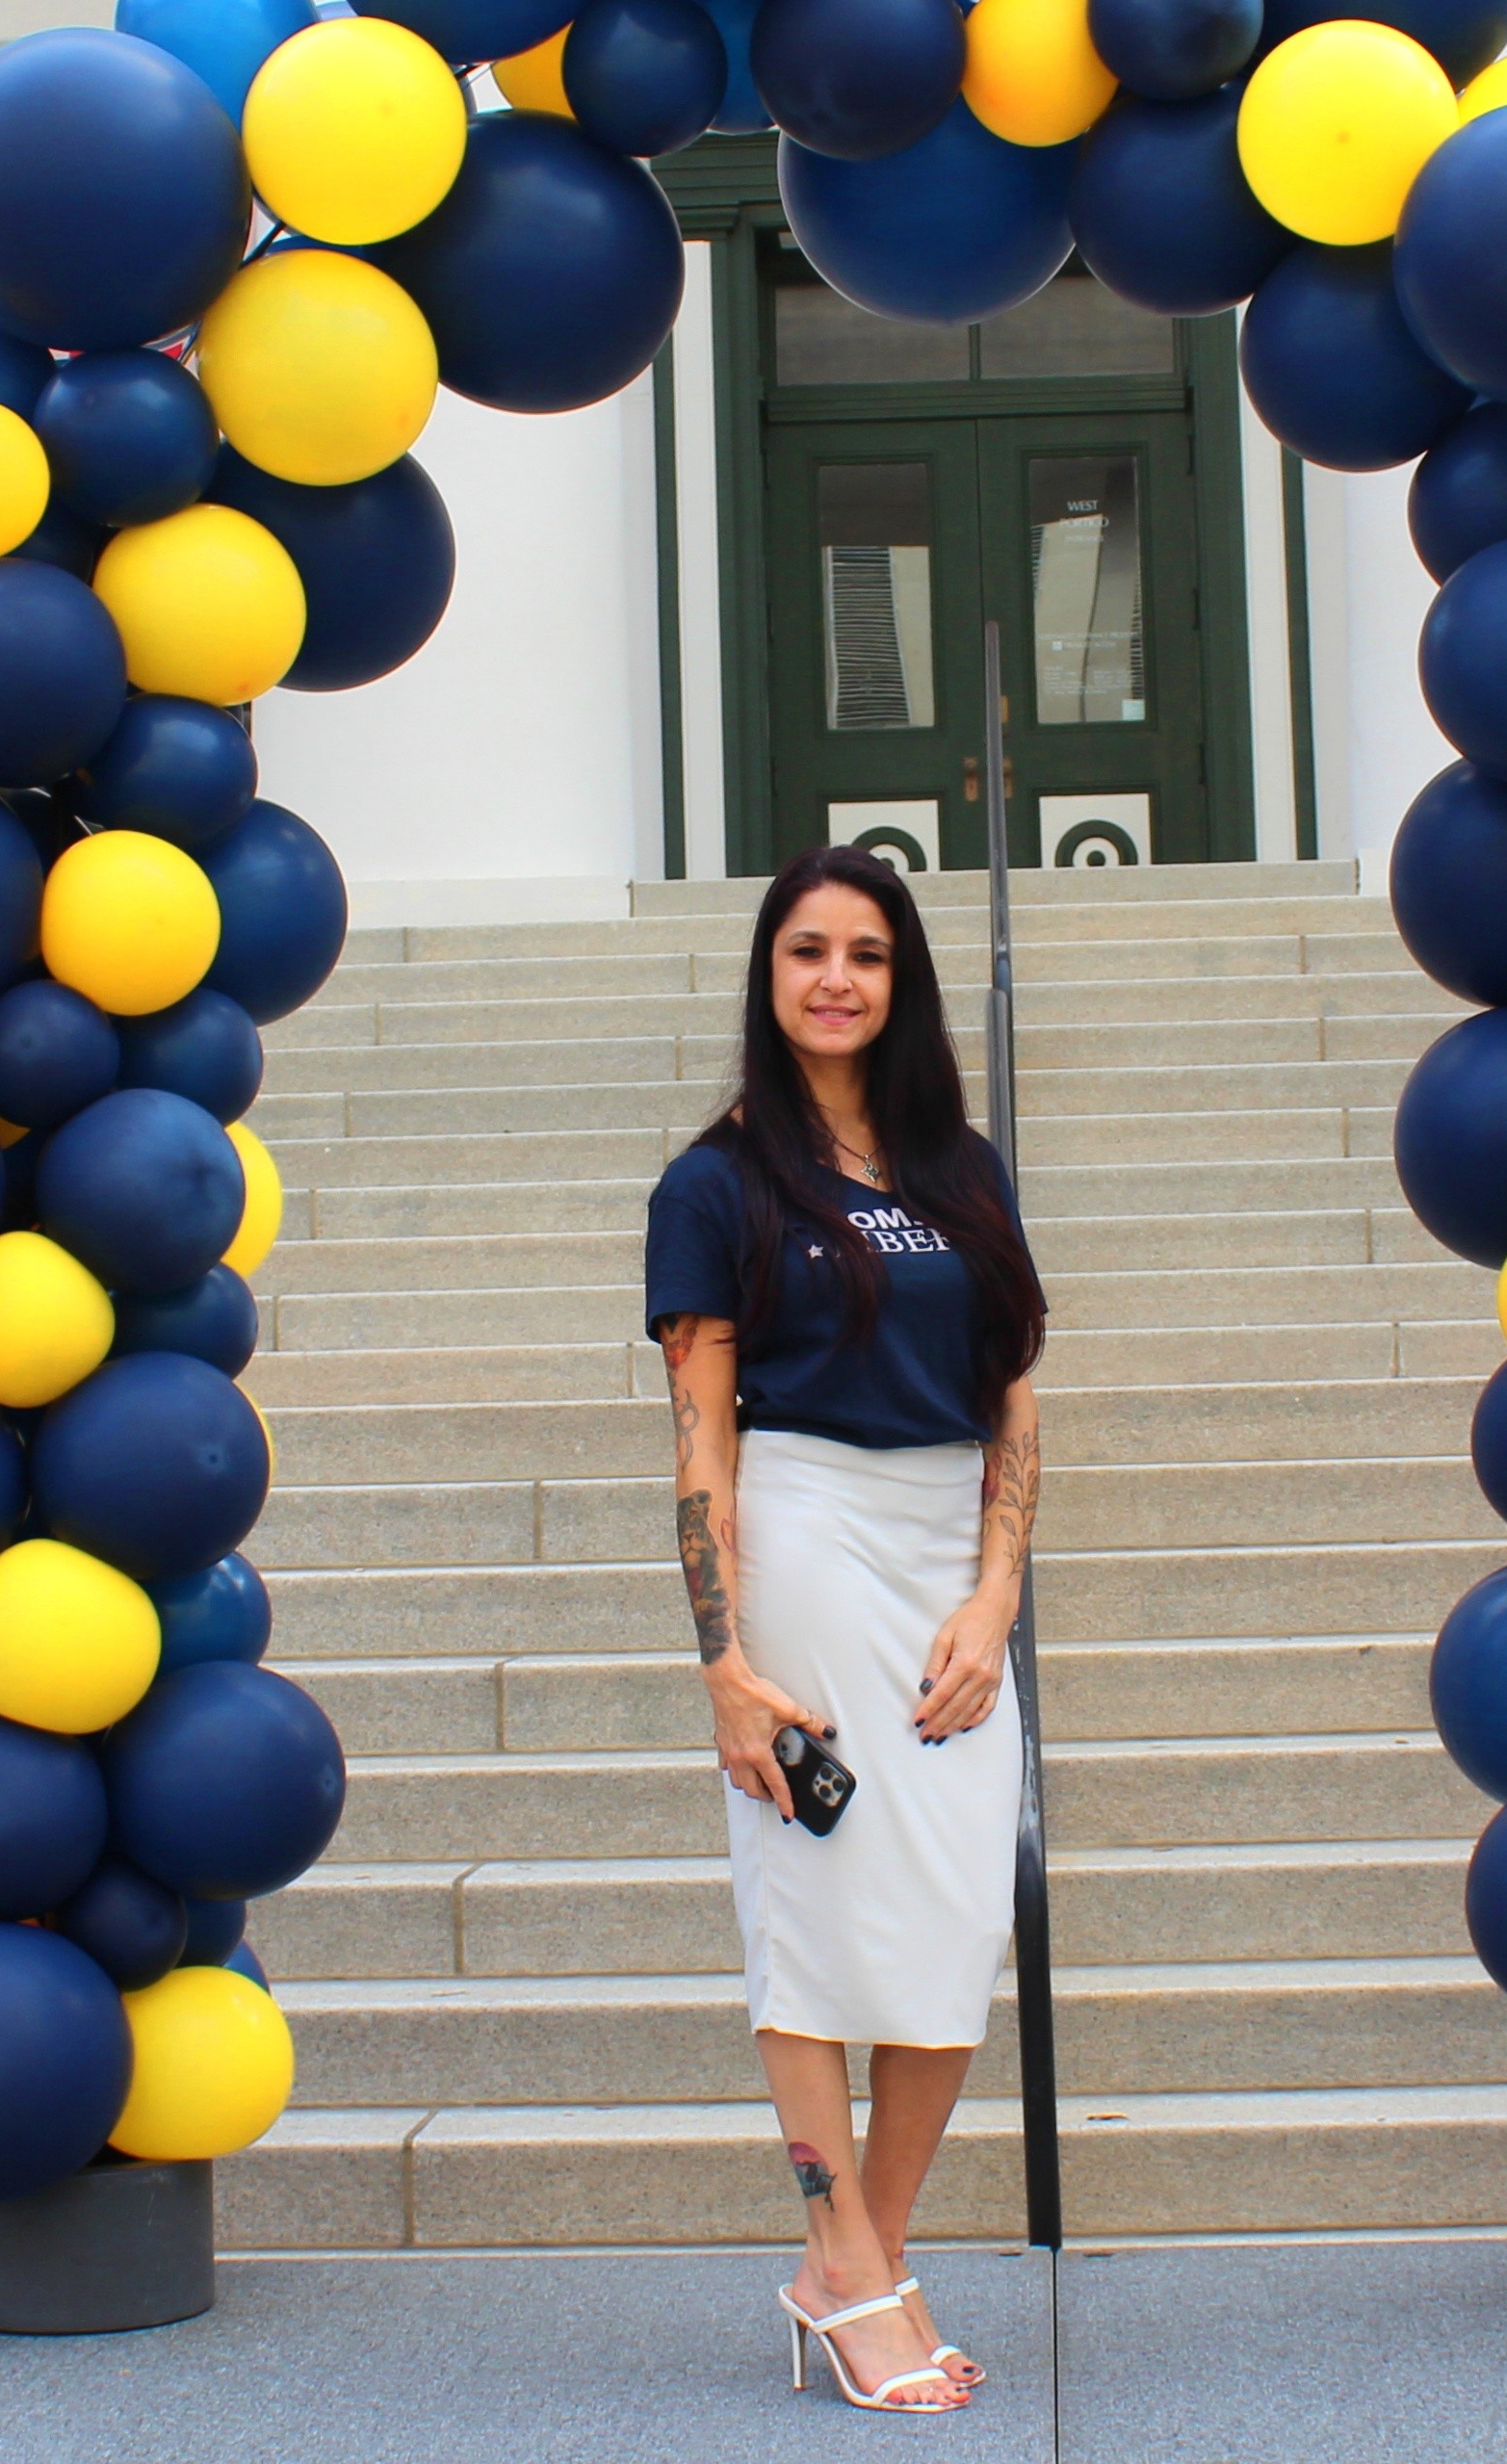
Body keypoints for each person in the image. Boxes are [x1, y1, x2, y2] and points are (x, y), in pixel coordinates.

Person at [642, 846, 1049, 2415]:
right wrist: (723, 1661)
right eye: (806, 948)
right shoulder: (715, 1181)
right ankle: (857, 2270)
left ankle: (851, 2261)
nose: (835, 978)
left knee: (956, 1913)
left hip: (949, 1547)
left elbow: (1015, 1399)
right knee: (811, 1909)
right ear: (768, 973)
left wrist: (995, 1592)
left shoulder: (964, 1169)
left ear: (901, 980)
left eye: (866, 953)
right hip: (805, 1531)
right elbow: (701, 1441)